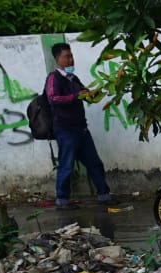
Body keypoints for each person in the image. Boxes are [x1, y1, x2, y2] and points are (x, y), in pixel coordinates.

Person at [46, 42, 113, 210]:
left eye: (71, 56)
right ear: (57, 59)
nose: (70, 60)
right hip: (66, 130)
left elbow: (85, 94)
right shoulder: (54, 78)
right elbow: (53, 98)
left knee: (94, 163)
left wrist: (97, 92)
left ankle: (104, 196)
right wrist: (75, 96)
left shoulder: (73, 78)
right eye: (66, 57)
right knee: (66, 166)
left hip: (81, 129)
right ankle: (62, 200)